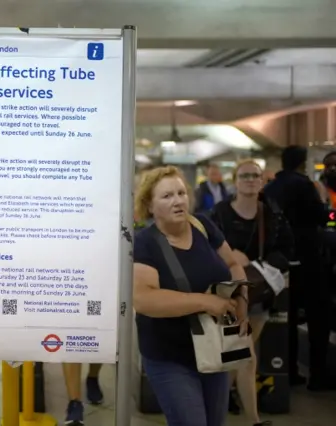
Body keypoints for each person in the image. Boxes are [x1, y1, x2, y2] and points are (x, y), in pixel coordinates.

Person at [133, 165, 248, 426]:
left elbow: (233, 264)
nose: (178, 201)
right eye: (166, 196)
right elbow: (144, 299)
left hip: (213, 346)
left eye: (181, 193)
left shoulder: (202, 225)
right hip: (170, 356)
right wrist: (205, 302)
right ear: (149, 206)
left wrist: (241, 298)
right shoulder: (145, 243)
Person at [211, 159, 294, 425]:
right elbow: (204, 247)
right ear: (235, 181)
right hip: (227, 293)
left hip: (258, 292)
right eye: (244, 175)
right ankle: (252, 418)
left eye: (254, 176)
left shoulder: (271, 213)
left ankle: (222, 402)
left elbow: (286, 249)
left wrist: (261, 263)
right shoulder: (220, 213)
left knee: (240, 352)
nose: (249, 180)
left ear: (261, 181)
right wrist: (229, 257)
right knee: (244, 353)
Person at [263, 146, 332, 390]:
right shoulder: (305, 185)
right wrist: (323, 202)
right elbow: (320, 217)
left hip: (281, 261)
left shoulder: (270, 187)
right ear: (303, 163)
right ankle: (318, 375)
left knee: (286, 317)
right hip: (310, 259)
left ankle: (288, 371)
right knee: (318, 317)